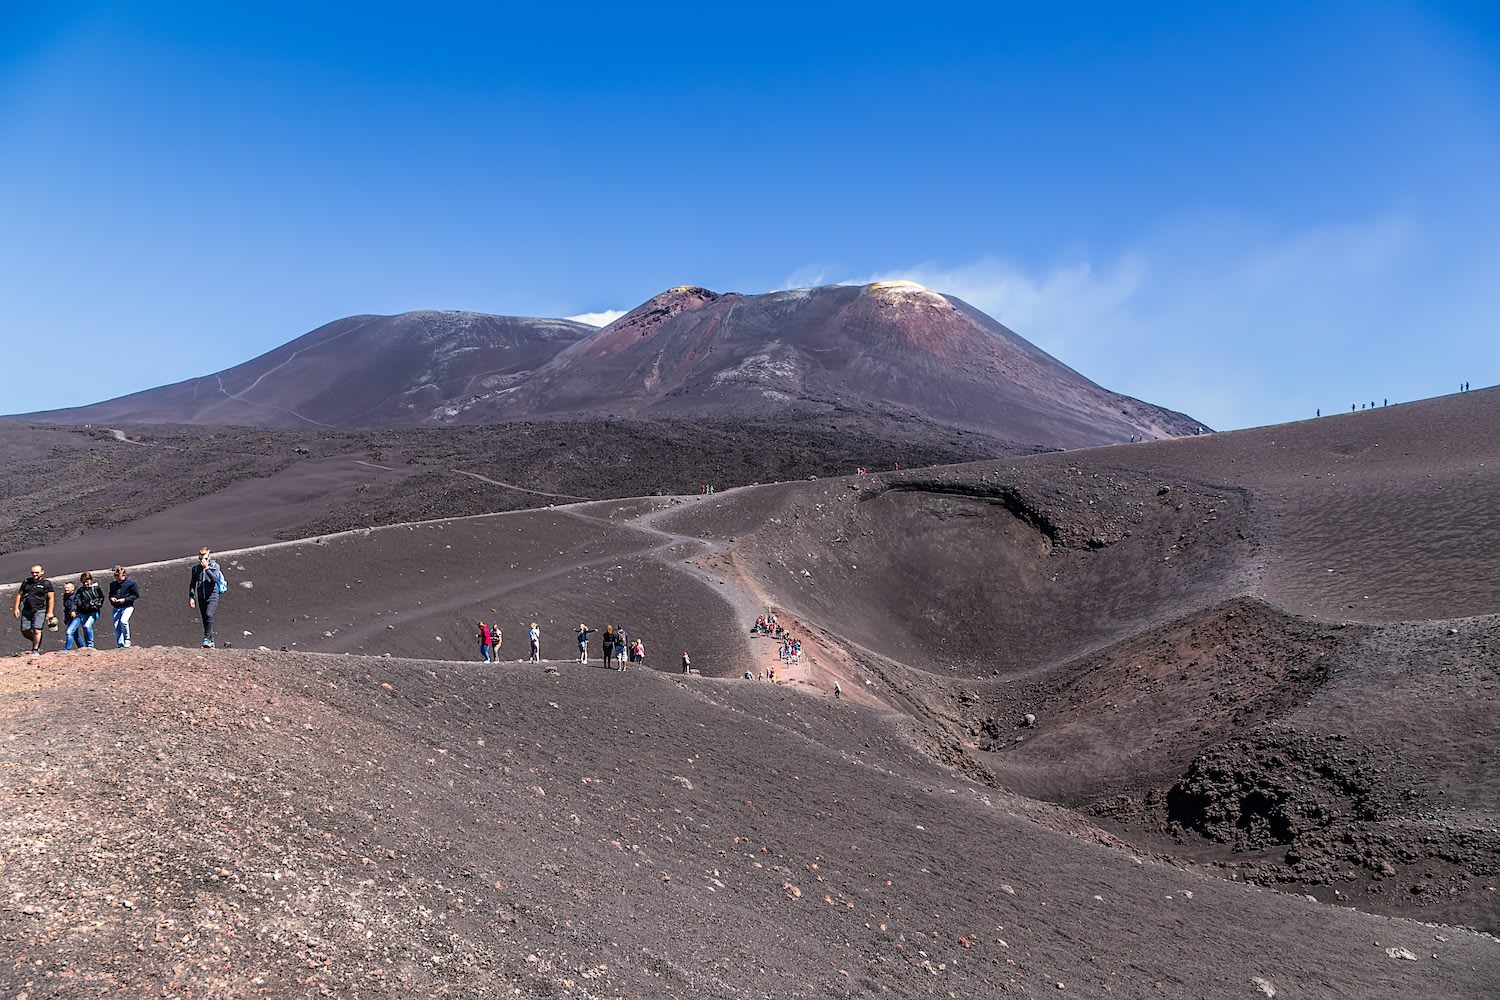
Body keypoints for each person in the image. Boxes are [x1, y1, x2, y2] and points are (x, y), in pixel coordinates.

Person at [13, 564, 56, 657]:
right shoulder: (26, 582)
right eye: (33, 572)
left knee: (37, 629)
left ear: (42, 572)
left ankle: (35, 649)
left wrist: (50, 612)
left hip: (40, 609)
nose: (34, 574)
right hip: (27, 609)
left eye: (37, 572)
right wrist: (16, 607)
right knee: (24, 630)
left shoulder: (46, 584)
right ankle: (36, 639)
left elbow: (51, 598)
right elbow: (19, 595)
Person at [187, 547, 225, 648]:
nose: (202, 561)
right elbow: (192, 584)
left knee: (209, 614)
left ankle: (206, 638)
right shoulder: (195, 569)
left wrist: (207, 568)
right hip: (201, 597)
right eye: (200, 559)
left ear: (209, 558)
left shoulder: (215, 566)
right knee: (205, 619)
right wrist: (191, 597)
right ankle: (211, 641)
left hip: (213, 596)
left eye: (205, 559)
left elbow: (215, 579)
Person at [109, 565, 140, 647]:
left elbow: (135, 595)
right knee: (117, 625)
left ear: (124, 575)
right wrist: (112, 598)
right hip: (116, 607)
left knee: (123, 621)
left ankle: (127, 640)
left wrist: (125, 600)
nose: (118, 579)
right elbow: (111, 594)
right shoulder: (113, 584)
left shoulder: (131, 583)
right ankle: (120, 643)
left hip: (127, 606)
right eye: (116, 577)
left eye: (119, 577)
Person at [74, 571, 104, 649]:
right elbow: (77, 601)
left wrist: (98, 605)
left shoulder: (96, 588)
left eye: (87, 581)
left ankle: (90, 645)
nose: (85, 584)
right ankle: (88, 645)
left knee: (87, 626)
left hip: (94, 612)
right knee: (85, 627)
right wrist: (86, 606)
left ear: (90, 580)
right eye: (83, 582)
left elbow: (101, 597)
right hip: (83, 612)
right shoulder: (80, 591)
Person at [61, 582, 81, 650]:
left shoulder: (76, 595)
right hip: (69, 617)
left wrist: (73, 610)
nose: (66, 589)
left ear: (72, 588)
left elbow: (75, 603)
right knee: (75, 635)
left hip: (76, 617)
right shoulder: (65, 596)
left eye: (67, 588)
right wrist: (65, 618)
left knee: (69, 632)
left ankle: (66, 649)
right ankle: (82, 648)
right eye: (65, 588)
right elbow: (66, 608)